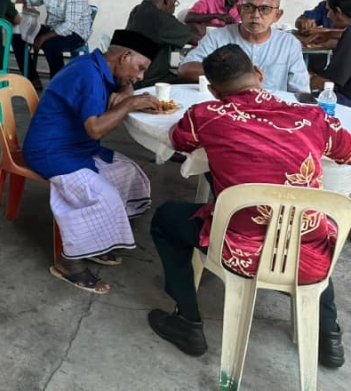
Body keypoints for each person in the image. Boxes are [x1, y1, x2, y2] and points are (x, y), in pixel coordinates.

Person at [148, 45, 350, 368]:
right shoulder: (313, 116)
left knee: (164, 218)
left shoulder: (206, 115)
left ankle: (187, 322)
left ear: (212, 90)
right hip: (307, 259)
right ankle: (329, 338)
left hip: (239, 251)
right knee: (315, 229)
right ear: (259, 74)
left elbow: (178, 140)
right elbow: (347, 152)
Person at [22, 30, 161, 294]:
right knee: (104, 196)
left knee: (128, 173)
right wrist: (129, 104)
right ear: (125, 56)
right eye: (139, 68)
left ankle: (96, 242)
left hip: (78, 148)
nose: (140, 76)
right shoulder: (87, 73)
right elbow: (95, 129)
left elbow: (124, 87)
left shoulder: (101, 66)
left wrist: (126, 90)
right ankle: (68, 262)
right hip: (51, 151)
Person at [178, 0, 309, 93]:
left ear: (277, 15)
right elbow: (186, 70)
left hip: (272, 112)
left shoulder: (288, 44)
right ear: (240, 10)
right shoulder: (218, 37)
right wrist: (236, 73)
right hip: (227, 108)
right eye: (248, 7)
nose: (255, 15)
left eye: (265, 9)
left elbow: (301, 91)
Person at [18, 0, 93, 85]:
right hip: (52, 28)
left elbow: (69, 25)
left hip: (76, 33)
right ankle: (32, 77)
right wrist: (24, 1)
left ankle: (57, 83)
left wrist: (43, 37)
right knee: (18, 36)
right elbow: (33, 0)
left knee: (50, 44)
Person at [126, 0, 203, 88]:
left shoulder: (138, 10)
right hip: (149, 79)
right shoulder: (161, 18)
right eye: (174, 1)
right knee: (196, 81)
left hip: (131, 74)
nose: (174, 7)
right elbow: (196, 39)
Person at [310, 0, 351, 104]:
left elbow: (328, 80)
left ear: (338, 12)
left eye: (329, 11)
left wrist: (302, 84)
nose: (328, 16)